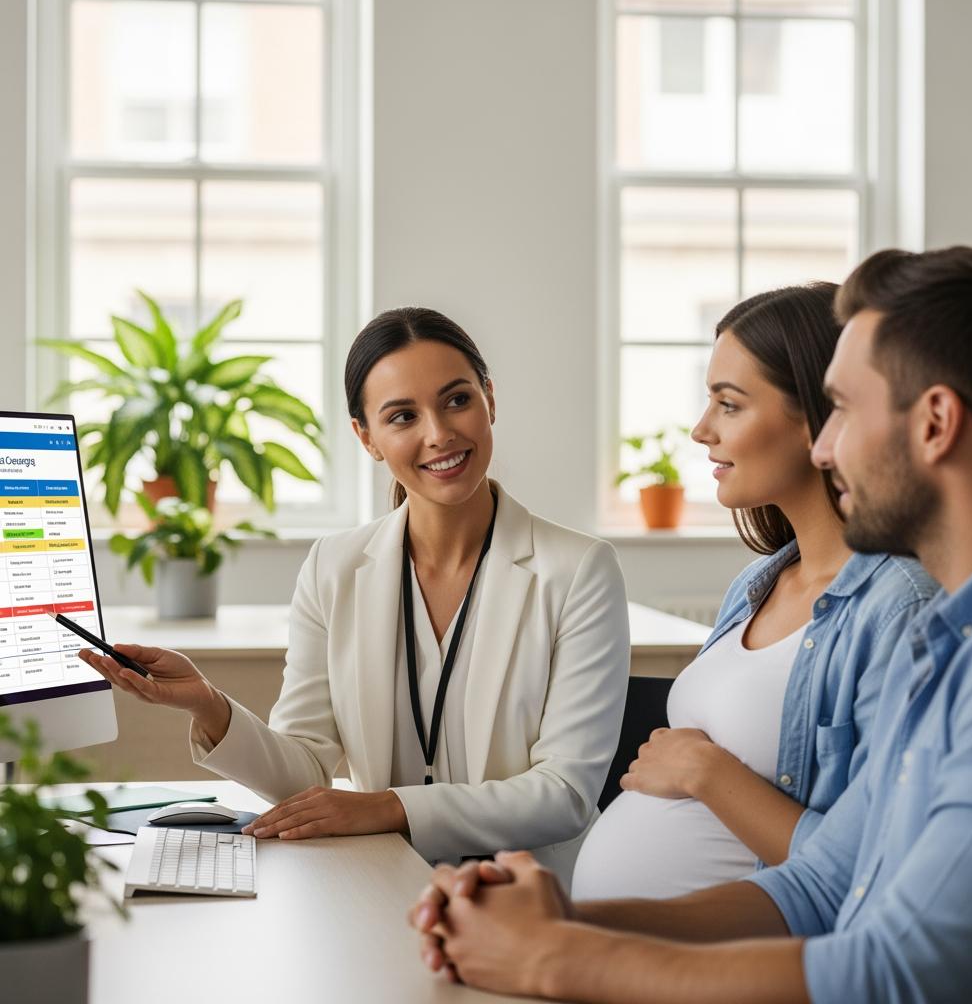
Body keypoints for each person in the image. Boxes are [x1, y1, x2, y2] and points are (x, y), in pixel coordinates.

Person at [410, 246, 972, 1003]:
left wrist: (556, 960)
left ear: (934, 424)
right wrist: (561, 922)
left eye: (844, 412)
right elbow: (822, 885)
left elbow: (910, 970)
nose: (825, 448)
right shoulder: (952, 643)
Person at [80, 307, 630, 885]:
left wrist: (386, 807)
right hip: (380, 885)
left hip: (533, 896)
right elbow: (306, 771)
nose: (439, 433)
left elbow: (565, 793)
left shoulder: (579, 570)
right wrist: (207, 705)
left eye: (457, 400)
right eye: (402, 416)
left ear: (490, 398)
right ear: (366, 437)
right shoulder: (334, 567)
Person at [572, 284, 936, 903]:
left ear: (822, 418)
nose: (700, 430)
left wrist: (705, 772)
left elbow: (877, 873)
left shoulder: (901, 606)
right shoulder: (758, 583)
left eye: (730, 405)